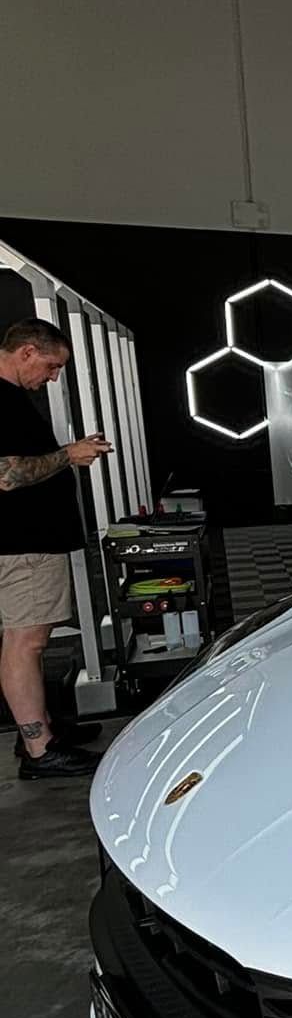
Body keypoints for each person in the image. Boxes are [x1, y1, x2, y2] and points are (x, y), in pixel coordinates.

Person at [0, 319, 110, 779]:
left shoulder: (12, 400)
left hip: (31, 543)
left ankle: (40, 730)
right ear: (27, 352)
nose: (52, 377)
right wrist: (70, 454)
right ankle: (40, 748)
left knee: (31, 640)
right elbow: (5, 474)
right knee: (26, 642)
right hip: (24, 545)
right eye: (51, 366)